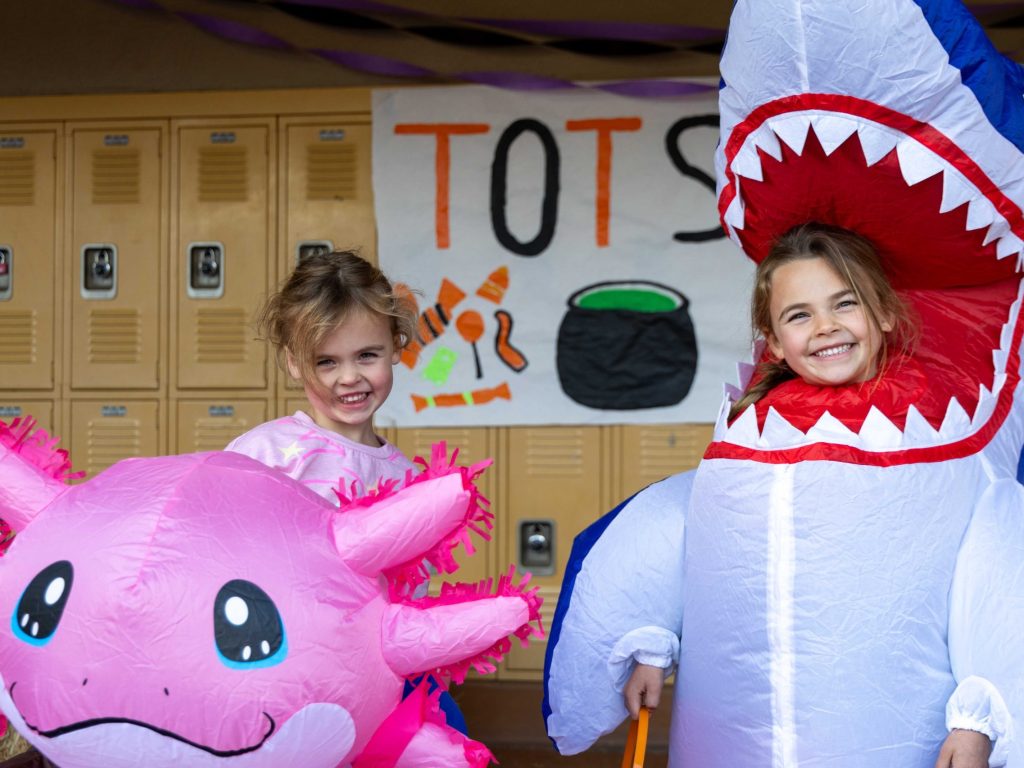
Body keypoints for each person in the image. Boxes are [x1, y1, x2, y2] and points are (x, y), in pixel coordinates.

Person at [622, 223, 992, 766]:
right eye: (800, 315)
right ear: (772, 340)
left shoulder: (942, 433)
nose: (825, 327)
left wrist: (976, 716)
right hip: (743, 725)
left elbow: (984, 576)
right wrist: (656, 644)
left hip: (889, 719)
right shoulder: (748, 432)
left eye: (846, 304)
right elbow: (706, 554)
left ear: (885, 313)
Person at [226, 250, 417, 501]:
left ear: (396, 346)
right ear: (294, 363)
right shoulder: (264, 453)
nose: (349, 377)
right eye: (326, 362)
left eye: (367, 355)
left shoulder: (406, 478)